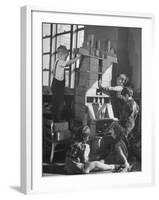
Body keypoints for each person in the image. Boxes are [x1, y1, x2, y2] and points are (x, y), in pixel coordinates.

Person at [51, 45, 80, 121]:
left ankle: (55, 118)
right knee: (59, 104)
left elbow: (53, 72)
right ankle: (57, 120)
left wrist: (58, 75)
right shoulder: (60, 62)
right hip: (58, 85)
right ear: (60, 55)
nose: (66, 58)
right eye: (65, 56)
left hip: (55, 84)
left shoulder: (56, 62)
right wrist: (77, 58)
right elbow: (69, 63)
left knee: (56, 103)